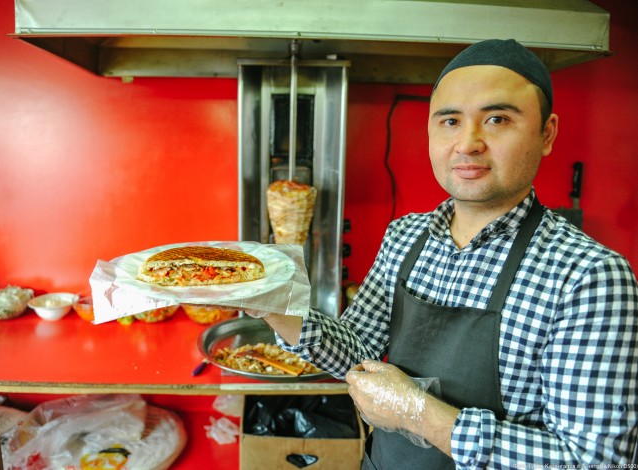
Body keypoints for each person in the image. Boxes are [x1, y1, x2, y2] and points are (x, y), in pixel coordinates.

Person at [256, 39, 638, 468]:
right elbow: (358, 352)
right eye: (450, 121)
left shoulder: (589, 276)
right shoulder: (405, 235)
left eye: (497, 119)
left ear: (546, 133)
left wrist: (419, 414)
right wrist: (273, 305)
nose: (468, 143)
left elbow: (597, 461)